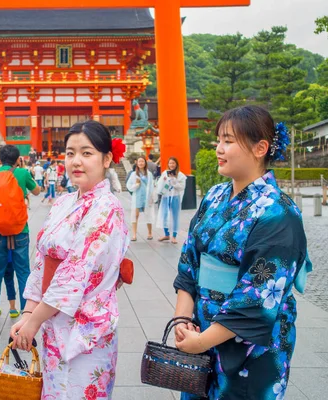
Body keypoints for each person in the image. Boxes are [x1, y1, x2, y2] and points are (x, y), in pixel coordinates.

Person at [173, 106, 310, 400]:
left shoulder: (279, 212)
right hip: (200, 330)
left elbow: (257, 297)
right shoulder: (213, 196)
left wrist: (201, 341)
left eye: (229, 141)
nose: (219, 149)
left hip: (252, 345)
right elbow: (189, 265)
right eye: (219, 140)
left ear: (260, 148)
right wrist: (183, 322)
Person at [11, 120, 129, 399]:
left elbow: (74, 272)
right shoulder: (64, 202)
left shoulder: (107, 208)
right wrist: (29, 312)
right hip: (53, 320)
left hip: (86, 327)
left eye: (87, 153)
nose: (76, 161)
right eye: (70, 152)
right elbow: (42, 261)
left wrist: (33, 322)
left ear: (107, 158)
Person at [0, 145, 41, 326]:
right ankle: (26, 311)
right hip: (20, 229)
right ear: (18, 159)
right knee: (23, 271)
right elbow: (37, 191)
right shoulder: (23, 174)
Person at [156, 157, 187, 244]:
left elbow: (182, 187)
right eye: (170, 163)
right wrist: (165, 181)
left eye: (173, 163)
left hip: (175, 197)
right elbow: (160, 185)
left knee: (175, 216)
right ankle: (166, 234)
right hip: (166, 197)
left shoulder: (180, 175)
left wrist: (174, 180)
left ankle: (174, 236)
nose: (171, 165)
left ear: (176, 164)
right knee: (165, 215)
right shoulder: (164, 173)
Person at [126, 157, 155, 241]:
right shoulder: (133, 174)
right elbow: (129, 186)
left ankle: (150, 233)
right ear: (137, 163)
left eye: (142, 161)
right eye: (139, 161)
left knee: (148, 215)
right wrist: (136, 185)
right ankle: (134, 234)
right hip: (138, 197)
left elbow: (152, 186)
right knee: (135, 215)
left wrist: (152, 197)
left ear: (145, 163)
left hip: (147, 197)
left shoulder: (149, 174)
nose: (141, 163)